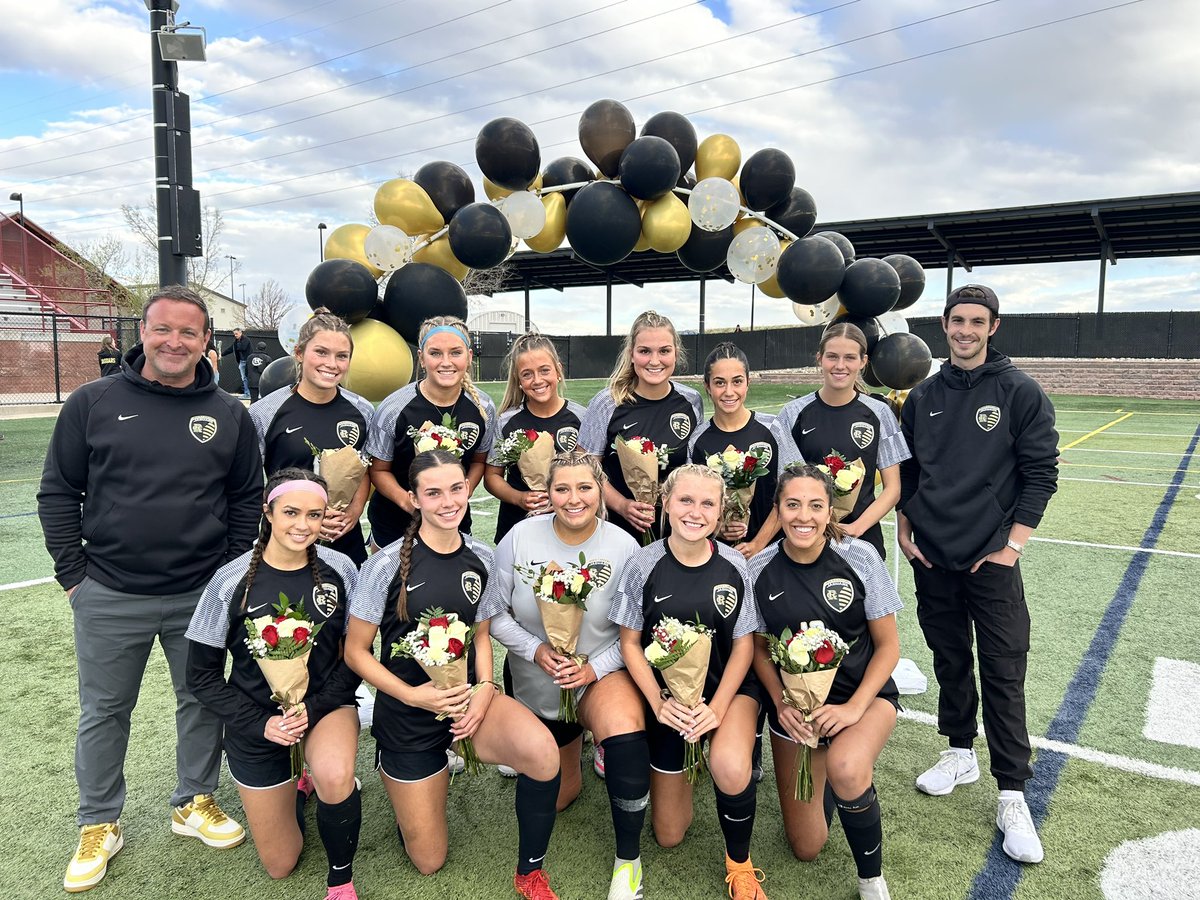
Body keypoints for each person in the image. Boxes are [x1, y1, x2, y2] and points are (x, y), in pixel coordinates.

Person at [38, 285, 262, 893]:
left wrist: (231, 573)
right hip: (110, 592)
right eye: (163, 329)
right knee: (105, 711)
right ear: (143, 332)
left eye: (189, 332)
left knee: (200, 700)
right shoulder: (94, 401)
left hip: (200, 594)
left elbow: (245, 499)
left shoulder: (229, 413)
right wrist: (72, 576)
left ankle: (194, 801)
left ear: (206, 341)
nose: (174, 342)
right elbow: (59, 491)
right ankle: (99, 821)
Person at [345, 451, 565, 899]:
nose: (448, 501)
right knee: (429, 860)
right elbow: (356, 652)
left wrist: (485, 689)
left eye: (456, 488)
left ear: (468, 490)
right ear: (414, 499)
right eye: (433, 492)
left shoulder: (481, 556)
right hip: (408, 713)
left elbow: (482, 637)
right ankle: (407, 780)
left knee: (544, 755)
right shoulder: (384, 566)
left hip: (467, 702)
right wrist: (413, 696)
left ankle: (530, 872)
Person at [897, 284, 1059, 864]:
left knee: (1003, 669)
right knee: (949, 660)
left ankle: (1012, 791)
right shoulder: (924, 396)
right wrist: (906, 523)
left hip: (991, 560)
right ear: (943, 325)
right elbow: (910, 471)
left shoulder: (1019, 392)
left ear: (994, 327)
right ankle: (960, 751)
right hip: (934, 558)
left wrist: (1013, 546)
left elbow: (1042, 473)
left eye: (976, 321)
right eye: (956, 321)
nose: (964, 330)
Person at [186, 468, 363, 900]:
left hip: (325, 707)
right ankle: (296, 788)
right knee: (281, 863)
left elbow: (357, 659)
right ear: (267, 512)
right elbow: (201, 677)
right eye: (291, 512)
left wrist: (314, 709)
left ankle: (340, 880)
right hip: (257, 723)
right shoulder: (229, 581)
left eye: (315, 515)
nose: (303, 525)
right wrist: (262, 723)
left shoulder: (341, 569)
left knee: (336, 774)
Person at [480, 451, 650, 900]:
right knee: (559, 795)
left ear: (600, 491)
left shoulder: (624, 546)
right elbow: (493, 614)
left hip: (598, 675)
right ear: (548, 492)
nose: (573, 499)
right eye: (562, 489)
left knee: (624, 727)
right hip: (537, 679)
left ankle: (628, 861)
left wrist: (594, 667)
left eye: (584, 488)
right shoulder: (519, 537)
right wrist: (536, 650)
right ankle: (569, 751)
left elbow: (634, 632)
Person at [609, 464, 769, 900]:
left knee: (732, 767)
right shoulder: (643, 564)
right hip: (670, 703)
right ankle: (684, 765)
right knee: (668, 834)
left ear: (720, 514)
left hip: (728, 693)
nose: (695, 512)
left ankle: (739, 864)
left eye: (707, 504)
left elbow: (743, 646)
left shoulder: (736, 565)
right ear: (665, 503)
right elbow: (629, 642)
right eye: (685, 500)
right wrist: (660, 704)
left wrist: (715, 708)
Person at [749, 464, 901, 900]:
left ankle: (871, 879)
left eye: (816, 506)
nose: (804, 516)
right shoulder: (759, 569)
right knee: (807, 847)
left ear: (830, 510)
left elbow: (889, 647)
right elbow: (760, 649)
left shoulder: (859, 556)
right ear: (776, 510)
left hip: (861, 701)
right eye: (792, 505)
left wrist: (853, 709)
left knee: (848, 768)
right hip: (795, 714)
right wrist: (781, 704)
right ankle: (830, 782)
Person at [771, 323, 909, 560]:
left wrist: (857, 527)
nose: (840, 365)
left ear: (863, 362)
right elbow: (783, 485)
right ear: (819, 359)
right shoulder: (793, 412)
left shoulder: (879, 413)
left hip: (861, 538)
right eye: (832, 357)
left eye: (850, 358)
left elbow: (893, 488)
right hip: (804, 538)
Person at [250, 309, 374, 565]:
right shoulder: (265, 412)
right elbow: (248, 484)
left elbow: (365, 469)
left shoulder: (362, 411)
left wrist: (353, 511)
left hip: (342, 540)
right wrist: (301, 514)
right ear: (298, 353)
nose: (331, 363)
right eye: (321, 352)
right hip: (285, 541)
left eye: (342, 356)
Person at [365, 316, 496, 549]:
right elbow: (379, 470)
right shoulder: (394, 408)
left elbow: (478, 461)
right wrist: (411, 502)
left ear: (469, 356)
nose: (446, 362)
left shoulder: (483, 408)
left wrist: (461, 494)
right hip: (395, 521)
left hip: (451, 518)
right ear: (422, 359)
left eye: (455, 352)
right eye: (435, 353)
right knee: (394, 584)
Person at [578, 310, 704, 543]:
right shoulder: (607, 403)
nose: (655, 361)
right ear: (632, 354)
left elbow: (692, 468)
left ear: (676, 353)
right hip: (616, 529)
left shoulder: (691, 401)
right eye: (645, 351)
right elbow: (585, 468)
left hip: (675, 531)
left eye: (664, 351)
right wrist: (622, 505)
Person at [484, 333, 586, 545]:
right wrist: (518, 498)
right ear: (519, 381)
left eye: (544, 370)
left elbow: (592, 475)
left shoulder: (582, 417)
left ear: (558, 370)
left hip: (570, 524)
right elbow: (492, 477)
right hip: (516, 526)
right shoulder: (506, 422)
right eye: (527, 374)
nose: (537, 380)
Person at [688, 341, 780, 559]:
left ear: (748, 382)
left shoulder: (772, 429)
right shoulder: (698, 440)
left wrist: (758, 543)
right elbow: (694, 501)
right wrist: (718, 526)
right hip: (717, 555)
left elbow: (791, 494)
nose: (729, 392)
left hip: (767, 553)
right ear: (707, 386)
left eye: (737, 381)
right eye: (720, 383)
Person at [222, 326, 253, 397]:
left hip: (247, 361)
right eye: (234, 334)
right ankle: (246, 392)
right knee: (243, 377)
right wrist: (222, 354)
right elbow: (231, 349)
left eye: (236, 334)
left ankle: (250, 393)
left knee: (248, 377)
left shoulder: (246, 339)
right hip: (242, 361)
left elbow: (242, 347)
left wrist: (237, 344)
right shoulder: (236, 341)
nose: (235, 335)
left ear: (240, 332)